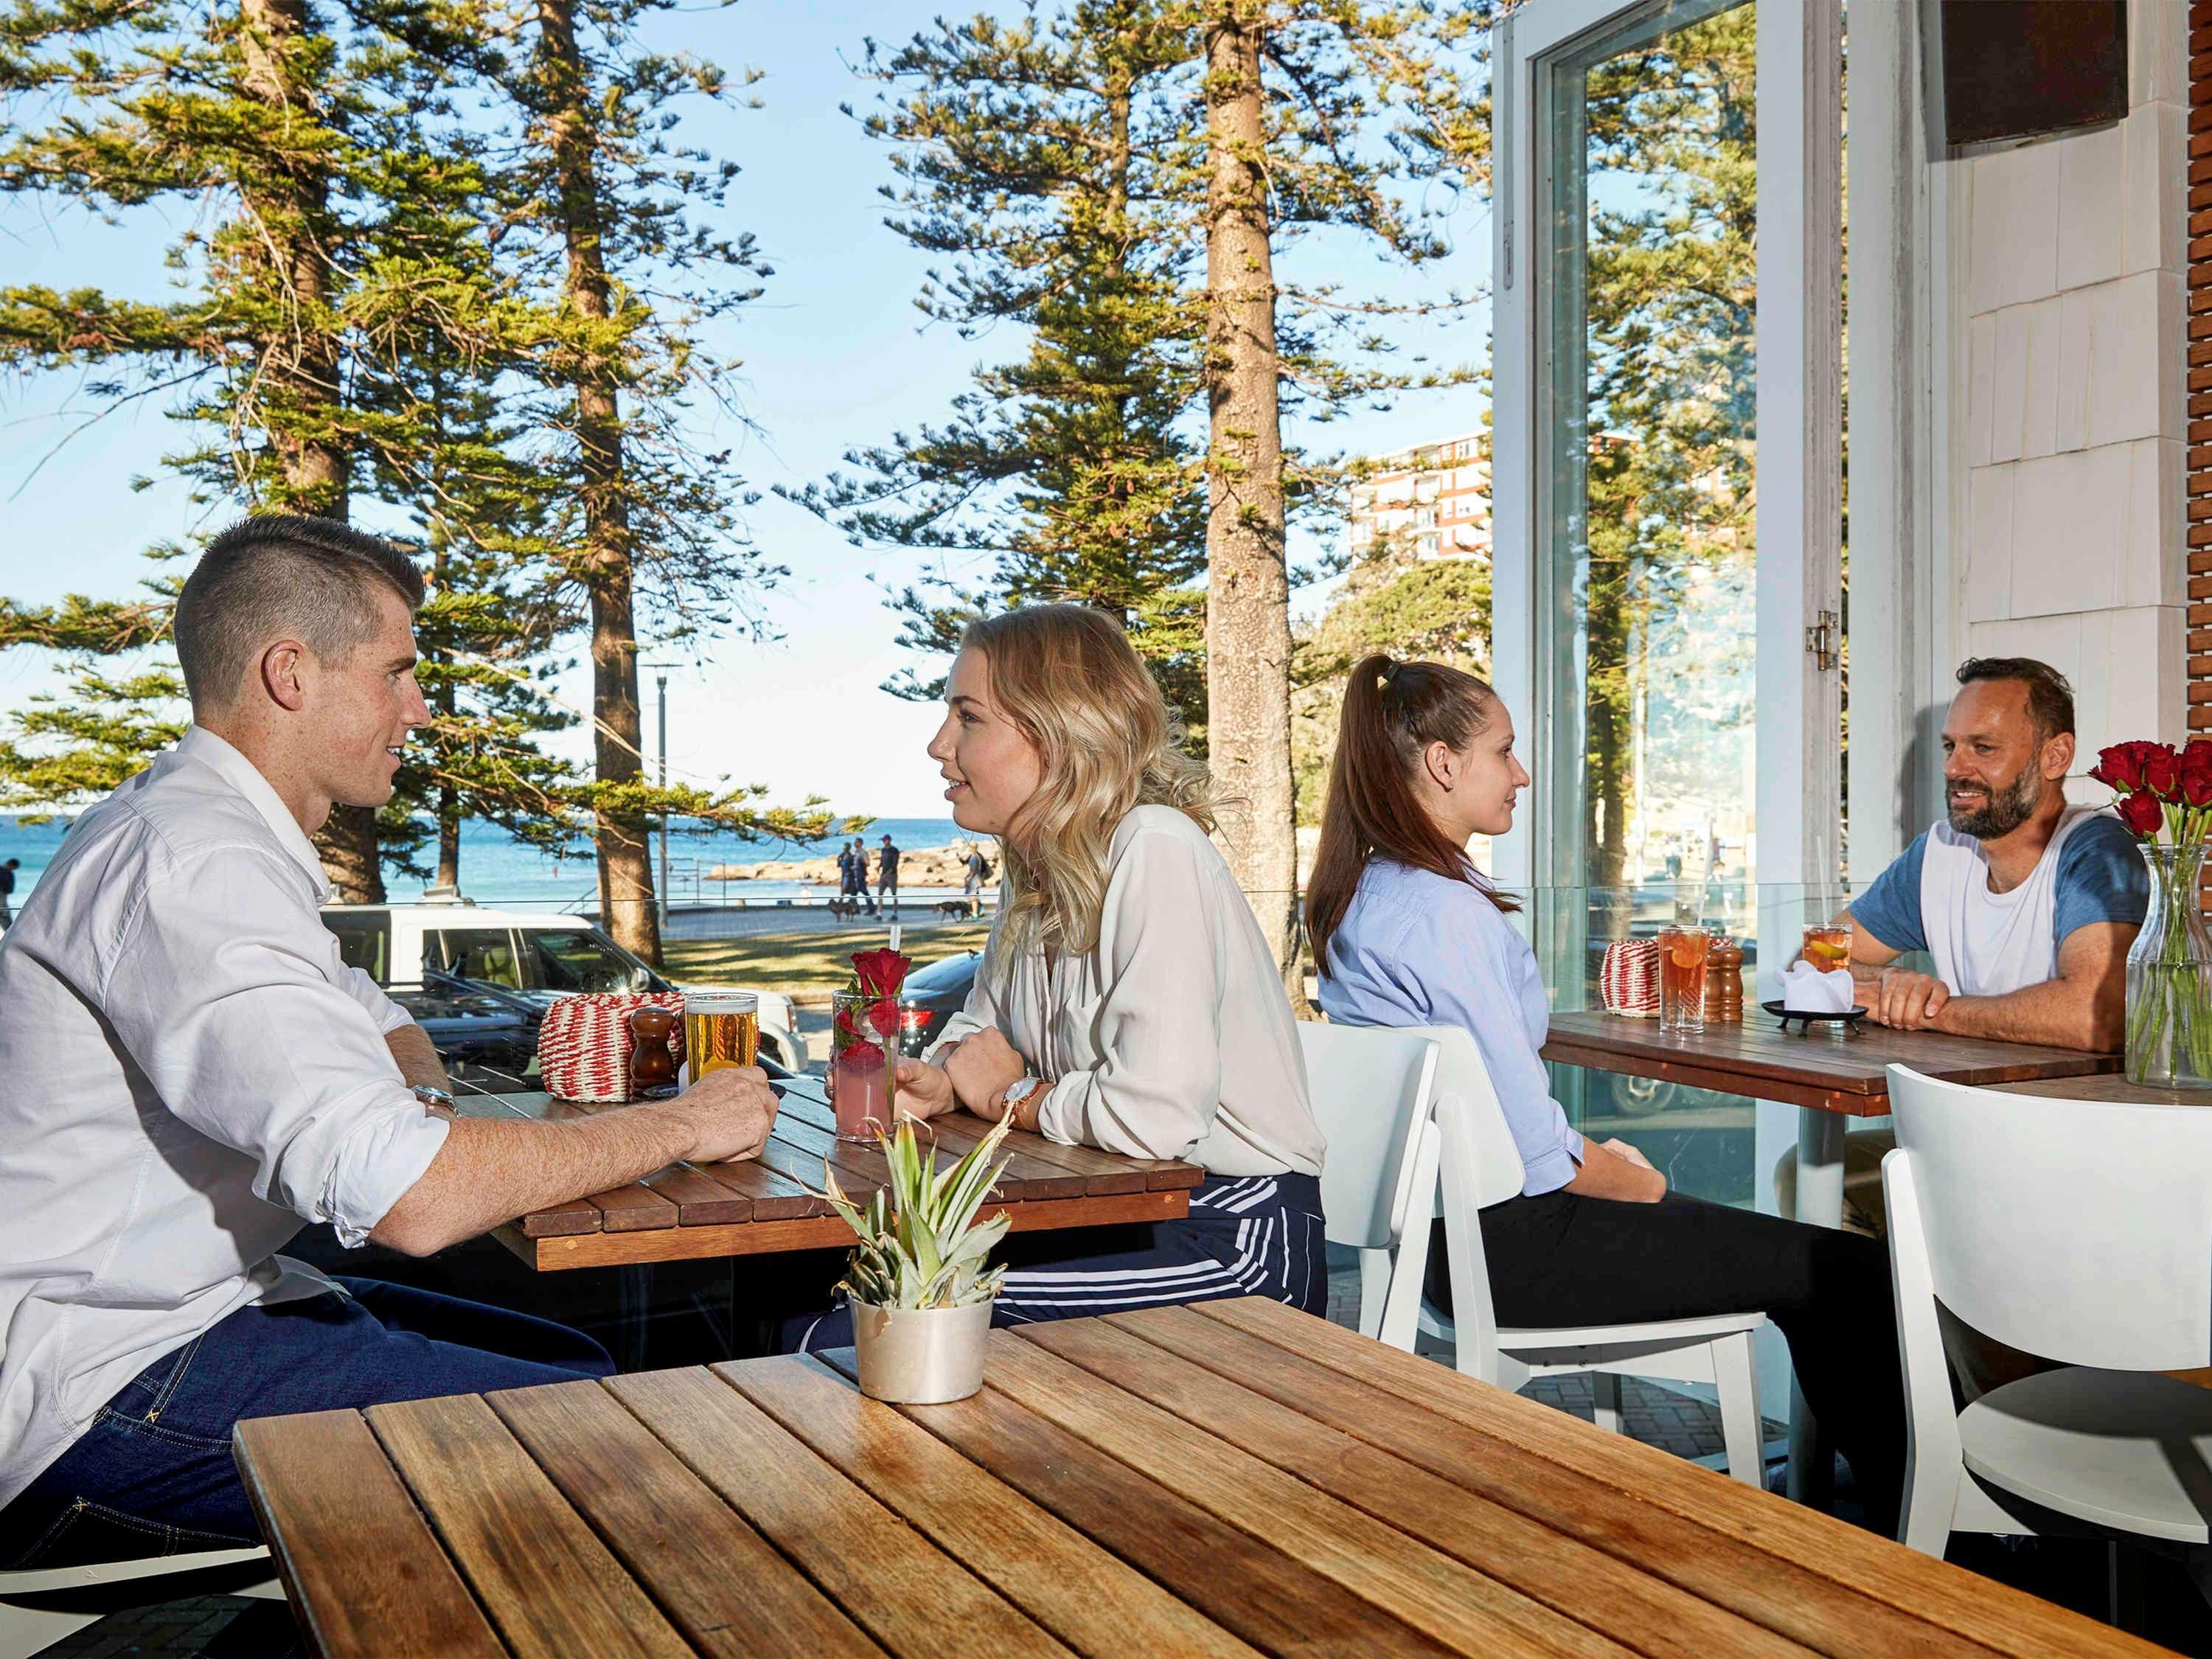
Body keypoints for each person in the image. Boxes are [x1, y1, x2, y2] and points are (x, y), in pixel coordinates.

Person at [0, 514, 779, 1571]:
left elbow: (380, 1015)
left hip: (192, 1312)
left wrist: (417, 1102)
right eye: (397, 673)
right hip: (92, 1393)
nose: (420, 708)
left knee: (580, 1356)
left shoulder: (215, 841)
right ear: (291, 674)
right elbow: (410, 1199)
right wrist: (684, 1120)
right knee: (622, 1441)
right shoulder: (193, 865)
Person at [1307, 655, 1902, 1528]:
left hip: (1438, 1245)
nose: (1520, 774)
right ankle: (1925, 1530)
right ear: (1442, 764)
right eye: (1504, 752)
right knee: (1842, 1270)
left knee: (1801, 1262)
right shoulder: (1450, 916)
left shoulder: (1359, 897)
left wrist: (1600, 1166)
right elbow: (1533, 1149)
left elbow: (1494, 1117)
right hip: (1521, 1248)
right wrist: (1643, 1184)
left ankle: (1857, 1501)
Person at [787, 605, 1326, 1349]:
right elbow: (983, 1032)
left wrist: (1009, 1098)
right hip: (1127, 1216)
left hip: (1234, 1239)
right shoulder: (1034, 867)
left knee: (860, 1326)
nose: (938, 745)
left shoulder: (1154, 850)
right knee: (802, 1291)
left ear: (1055, 731)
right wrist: (944, 1081)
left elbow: (1155, 1118)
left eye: (967, 718)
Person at [1775, 656, 2148, 1233]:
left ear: (2056, 756)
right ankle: (1902, 1327)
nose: (1956, 768)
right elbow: (1814, 962)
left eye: (1984, 748)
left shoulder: (2094, 850)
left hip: (2076, 1147)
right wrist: (1886, 987)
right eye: (1950, 747)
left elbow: (2096, 1016)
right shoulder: (1941, 852)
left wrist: (1931, 1010)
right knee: (1811, 1174)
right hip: (1970, 1126)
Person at [875, 830, 901, 917]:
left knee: (894, 894)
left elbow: (895, 864)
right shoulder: (883, 850)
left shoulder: (894, 850)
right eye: (883, 841)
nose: (883, 842)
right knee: (880, 894)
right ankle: (879, 913)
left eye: (884, 840)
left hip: (892, 875)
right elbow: (882, 860)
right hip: (883, 874)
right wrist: (879, 867)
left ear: (889, 840)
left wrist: (889, 873)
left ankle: (895, 913)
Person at [963, 842, 990, 917]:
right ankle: (980, 909)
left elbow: (974, 870)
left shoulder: (975, 857)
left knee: (972, 896)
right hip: (975, 878)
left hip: (974, 879)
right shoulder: (974, 856)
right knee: (973, 895)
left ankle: (975, 914)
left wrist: (969, 879)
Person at [0, 857, 16, 932]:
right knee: (5, 917)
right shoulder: (8, 873)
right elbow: (9, 890)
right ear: (12, 866)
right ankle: (11, 938)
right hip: (2, 896)